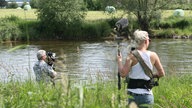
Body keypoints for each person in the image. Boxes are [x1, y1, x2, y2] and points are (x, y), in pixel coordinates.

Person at [117, 30, 165, 107]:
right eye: (149, 40)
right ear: (146, 41)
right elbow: (161, 73)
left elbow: (123, 74)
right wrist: (152, 76)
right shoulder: (153, 55)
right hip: (146, 95)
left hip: (131, 96)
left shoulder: (131, 56)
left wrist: (119, 61)